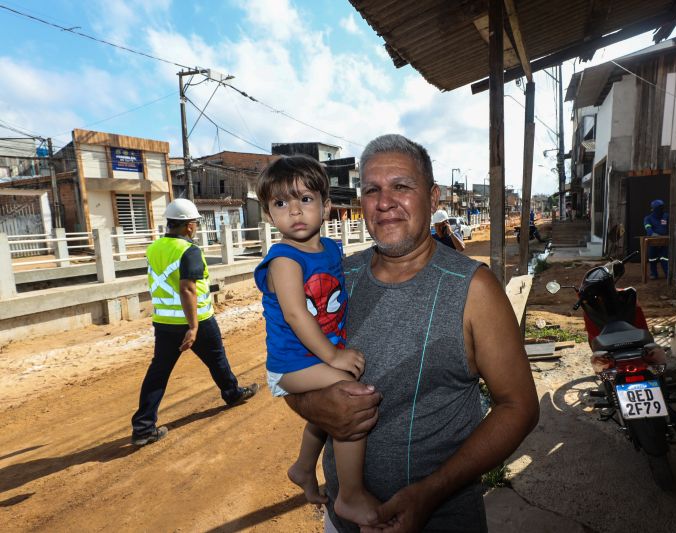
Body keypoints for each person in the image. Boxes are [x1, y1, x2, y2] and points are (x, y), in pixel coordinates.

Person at [284, 134, 540, 533]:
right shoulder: (336, 279)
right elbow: (289, 367)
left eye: (401, 186)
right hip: (343, 519)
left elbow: (519, 406)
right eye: (372, 190)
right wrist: (312, 405)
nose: (385, 202)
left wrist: (430, 492)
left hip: (441, 519)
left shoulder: (474, 289)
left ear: (433, 198)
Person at [253, 155, 379, 525]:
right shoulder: (284, 259)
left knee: (327, 414)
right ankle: (350, 496)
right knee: (351, 397)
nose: (294, 211)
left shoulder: (331, 250)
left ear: (325, 207)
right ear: (268, 215)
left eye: (305, 199)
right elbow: (296, 314)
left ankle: (303, 467)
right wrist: (334, 356)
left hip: (315, 357)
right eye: (280, 203)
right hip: (292, 363)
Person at [131, 198, 258, 446]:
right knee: (216, 358)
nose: (196, 227)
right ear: (189, 226)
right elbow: (187, 288)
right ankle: (232, 394)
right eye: (195, 223)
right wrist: (193, 327)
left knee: (158, 372)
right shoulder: (189, 250)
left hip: (164, 322)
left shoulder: (154, 248)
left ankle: (143, 427)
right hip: (196, 319)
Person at [644, 199, 669, 279]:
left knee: (664, 258)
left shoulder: (666, 216)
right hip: (653, 241)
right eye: (659, 208)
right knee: (652, 258)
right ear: (654, 209)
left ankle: (668, 274)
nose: (661, 210)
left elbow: (671, 226)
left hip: (664, 241)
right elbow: (648, 227)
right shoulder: (648, 218)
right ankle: (654, 274)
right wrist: (652, 234)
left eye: (662, 208)